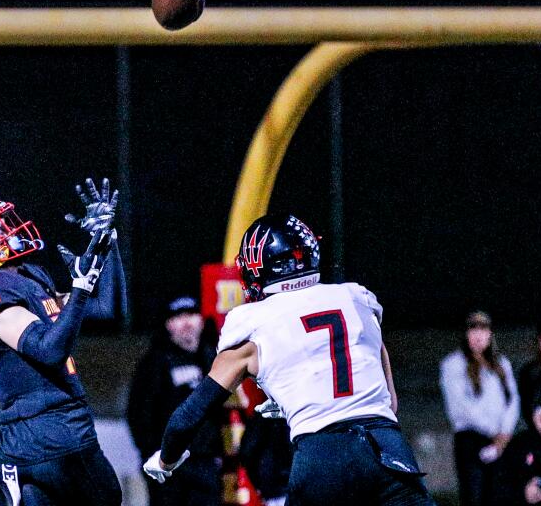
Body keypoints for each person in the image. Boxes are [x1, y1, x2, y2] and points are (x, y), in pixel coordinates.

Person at [142, 214, 435, 505]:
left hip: (322, 456)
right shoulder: (356, 298)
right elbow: (389, 404)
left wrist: (166, 460)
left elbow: (189, 416)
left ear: (258, 268)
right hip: (388, 449)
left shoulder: (252, 321)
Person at [0, 178, 124, 506]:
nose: (7, 230)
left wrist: (107, 241)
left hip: (67, 429)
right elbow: (48, 351)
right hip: (35, 439)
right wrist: (80, 285)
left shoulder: (28, 275)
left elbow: (106, 307)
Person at [127, 296, 222, 506]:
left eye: (191, 315)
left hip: (205, 463)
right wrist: (152, 456)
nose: (186, 322)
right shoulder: (154, 363)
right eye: (178, 317)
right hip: (168, 463)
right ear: (168, 325)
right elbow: (138, 414)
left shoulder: (214, 360)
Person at [440, 310, 520, 506]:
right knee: (474, 496)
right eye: (473, 330)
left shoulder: (501, 364)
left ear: (490, 334)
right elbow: (460, 405)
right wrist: (493, 432)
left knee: (499, 495)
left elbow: (512, 400)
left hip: (501, 441)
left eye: (483, 330)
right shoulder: (453, 364)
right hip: (471, 439)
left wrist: (505, 433)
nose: (478, 335)